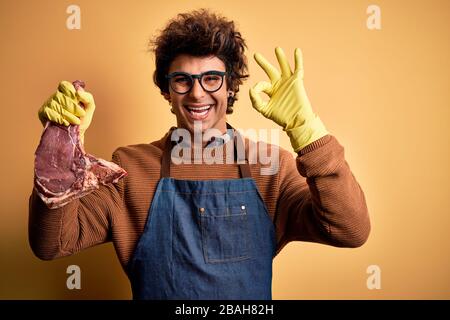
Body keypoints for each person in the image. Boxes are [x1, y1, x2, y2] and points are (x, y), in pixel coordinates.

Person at [29, 9, 370, 300]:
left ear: (230, 85)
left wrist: (308, 130)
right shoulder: (130, 167)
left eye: (211, 78)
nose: (197, 94)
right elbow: (54, 244)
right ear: (166, 90)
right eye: (182, 80)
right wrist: (60, 146)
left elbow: (349, 230)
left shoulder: (271, 168)